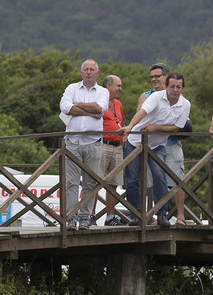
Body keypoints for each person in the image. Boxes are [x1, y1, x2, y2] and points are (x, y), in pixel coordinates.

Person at [119, 73, 191, 225]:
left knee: (159, 176)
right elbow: (142, 113)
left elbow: (177, 127)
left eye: (178, 87)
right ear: (166, 86)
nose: (175, 90)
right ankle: (136, 215)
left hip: (158, 144)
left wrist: (155, 127)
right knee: (132, 179)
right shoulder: (156, 97)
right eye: (172, 86)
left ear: (183, 88)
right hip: (136, 141)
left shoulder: (185, 104)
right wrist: (130, 127)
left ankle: (162, 214)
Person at [58, 59, 109, 230]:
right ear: (81, 72)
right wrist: (91, 110)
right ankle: (71, 218)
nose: (88, 72)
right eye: (86, 69)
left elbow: (100, 108)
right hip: (72, 141)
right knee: (71, 182)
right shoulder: (72, 88)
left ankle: (85, 218)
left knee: (90, 183)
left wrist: (76, 106)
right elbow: (65, 107)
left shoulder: (103, 91)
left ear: (97, 73)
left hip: (93, 142)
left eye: (91, 69)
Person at [99, 74, 126, 226]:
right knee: (95, 181)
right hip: (103, 144)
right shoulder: (99, 102)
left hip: (117, 146)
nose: (120, 89)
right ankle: (90, 216)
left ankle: (110, 217)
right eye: (118, 86)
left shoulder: (118, 104)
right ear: (108, 86)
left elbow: (120, 121)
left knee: (114, 184)